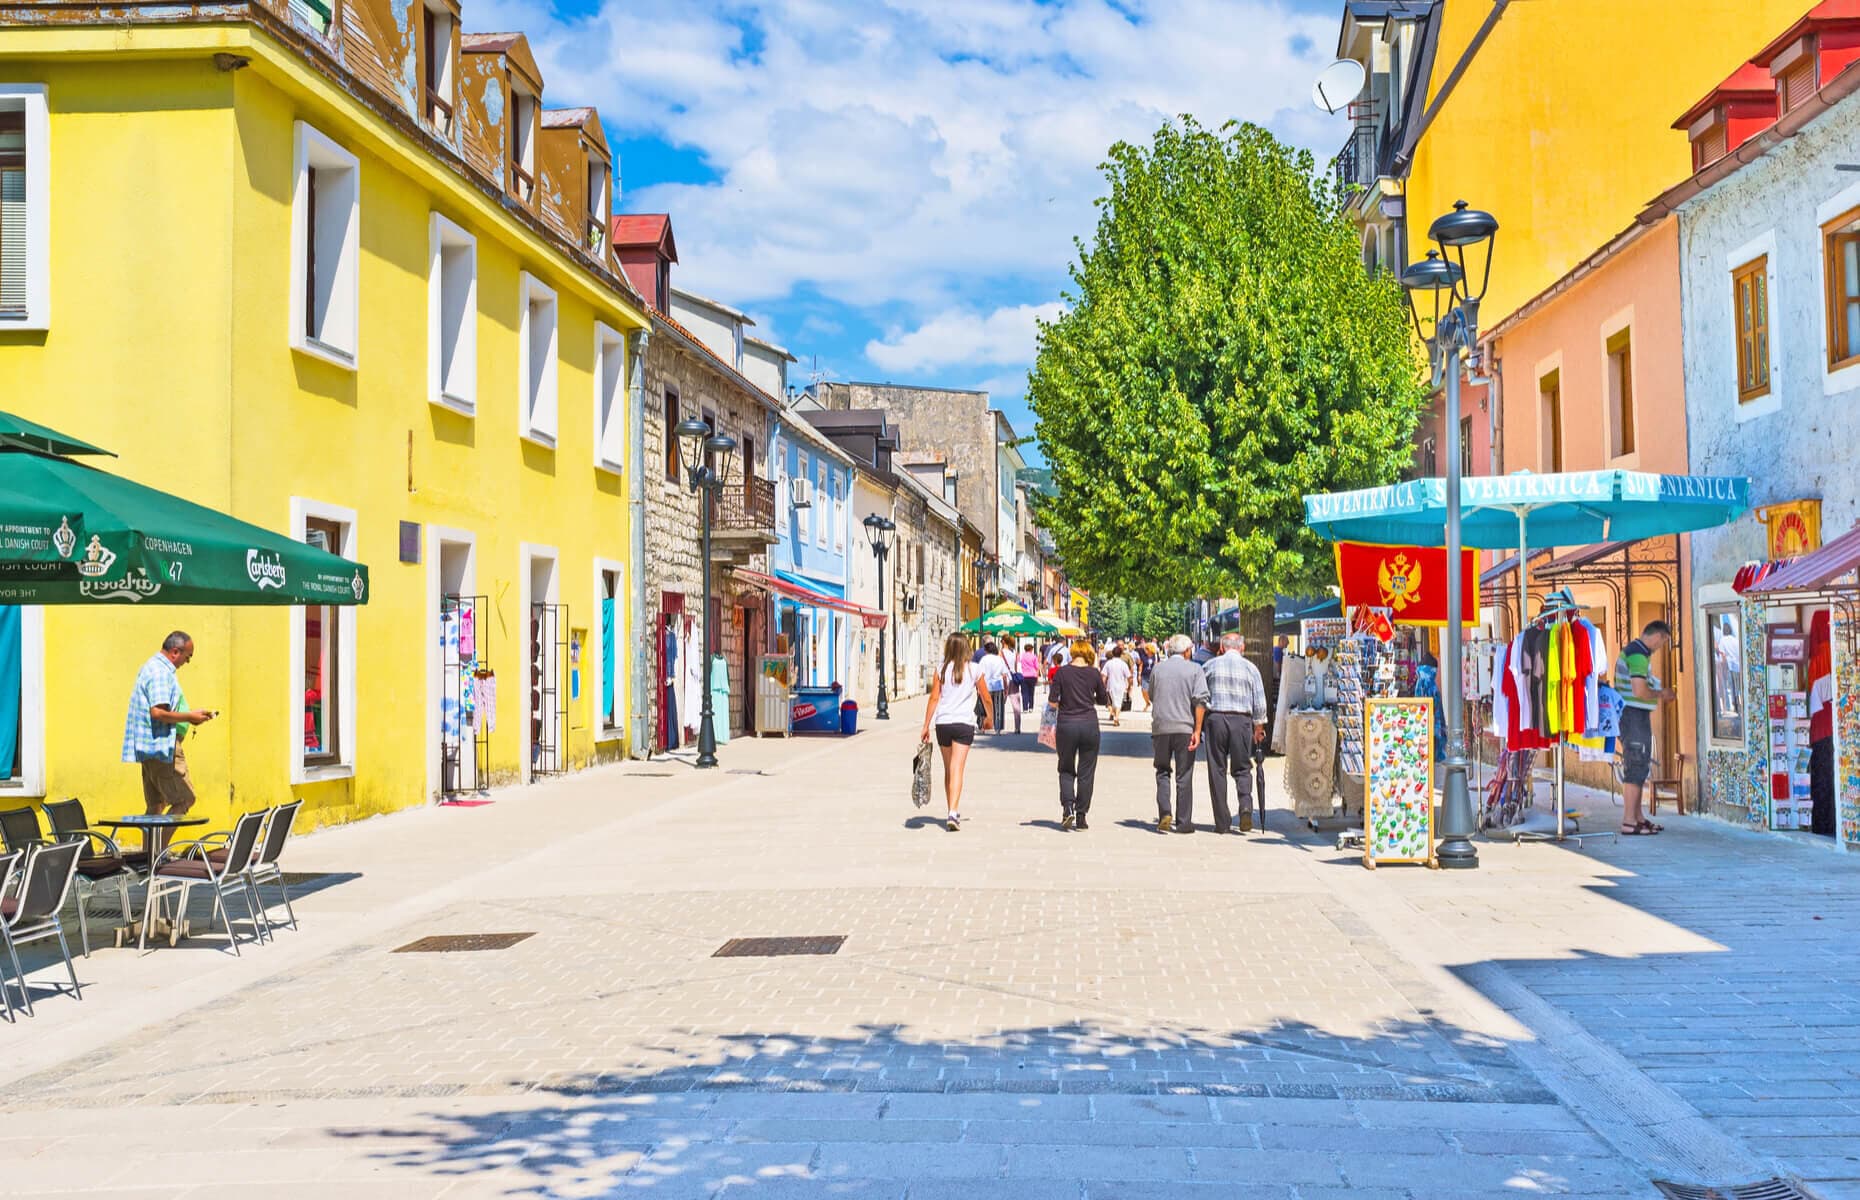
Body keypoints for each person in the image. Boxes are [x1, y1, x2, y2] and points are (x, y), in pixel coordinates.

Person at [122, 631, 215, 828]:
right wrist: (190, 717)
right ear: (175, 651)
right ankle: (158, 855)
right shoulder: (160, 673)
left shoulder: (152, 667)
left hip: (152, 747)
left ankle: (149, 854)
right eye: (187, 657)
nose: (187, 662)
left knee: (156, 805)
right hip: (162, 747)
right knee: (183, 800)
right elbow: (158, 712)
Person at [921, 633, 991, 831]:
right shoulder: (974, 669)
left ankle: (951, 810)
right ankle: (953, 811)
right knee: (957, 768)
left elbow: (934, 698)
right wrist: (989, 718)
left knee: (948, 768)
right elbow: (985, 697)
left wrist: (926, 725)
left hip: (943, 723)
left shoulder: (941, 669)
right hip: (963, 724)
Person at [1202, 632, 1268, 834]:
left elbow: (1200, 695)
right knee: (1242, 767)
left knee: (1217, 770)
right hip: (1242, 721)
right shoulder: (1251, 668)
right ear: (1242, 648)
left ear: (1221, 647)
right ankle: (1246, 807)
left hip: (1216, 719)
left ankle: (1222, 822)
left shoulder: (1209, 666)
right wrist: (1259, 728)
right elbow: (1260, 701)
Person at [1616, 619, 1675, 836]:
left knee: (1640, 765)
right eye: (1664, 641)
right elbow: (1639, 690)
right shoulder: (1638, 654)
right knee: (1636, 764)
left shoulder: (1636, 652)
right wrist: (1662, 694)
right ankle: (1629, 820)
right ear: (1658, 636)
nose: (1661, 647)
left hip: (1634, 715)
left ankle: (1637, 817)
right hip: (1632, 715)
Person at [1050, 638, 1116, 829]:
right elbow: (1104, 699)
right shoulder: (1094, 673)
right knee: (1087, 772)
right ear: (1089, 654)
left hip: (1067, 725)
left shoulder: (1062, 672)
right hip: (1089, 725)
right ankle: (1081, 816)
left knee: (1066, 767)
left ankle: (1068, 807)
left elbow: (1053, 702)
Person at [1149, 634, 1209, 832]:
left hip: (1161, 727)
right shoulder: (1195, 669)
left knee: (1162, 770)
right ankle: (1184, 822)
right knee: (1184, 774)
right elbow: (1200, 701)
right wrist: (1198, 730)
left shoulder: (1158, 669)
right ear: (1187, 651)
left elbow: (1151, 694)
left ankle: (1165, 812)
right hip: (1185, 727)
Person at [978, 640, 1012, 733]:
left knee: (984, 707)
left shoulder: (984, 659)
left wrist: (978, 689)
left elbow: (981, 674)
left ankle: (983, 727)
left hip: (986, 686)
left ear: (987, 650)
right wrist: (1005, 688)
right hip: (998, 686)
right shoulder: (999, 659)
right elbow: (1004, 675)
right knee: (998, 707)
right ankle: (998, 728)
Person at [1102, 644, 1133, 713]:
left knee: (1110, 702)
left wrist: (1102, 685)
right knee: (1118, 703)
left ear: (1113, 653)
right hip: (1121, 686)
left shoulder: (1108, 663)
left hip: (1110, 686)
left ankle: (1112, 713)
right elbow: (1129, 677)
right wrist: (1130, 686)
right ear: (1121, 654)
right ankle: (1116, 716)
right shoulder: (1123, 664)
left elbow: (1104, 676)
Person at [1016, 641, 1041, 717]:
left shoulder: (1021, 656)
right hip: (1032, 676)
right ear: (1031, 649)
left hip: (1023, 676)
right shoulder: (1034, 656)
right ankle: (1031, 707)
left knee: (1024, 693)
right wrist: (1037, 677)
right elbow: (1037, 667)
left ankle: (1025, 708)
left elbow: (1017, 664)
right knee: (1031, 692)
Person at [1135, 639, 1157, 711]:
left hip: (1152, 675)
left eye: (1146, 649)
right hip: (1144, 675)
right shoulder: (1143, 656)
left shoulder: (1155, 656)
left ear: (1150, 649)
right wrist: (1139, 675)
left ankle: (1155, 704)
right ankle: (1147, 702)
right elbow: (1141, 665)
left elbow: (1157, 665)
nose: (1145, 650)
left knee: (1153, 691)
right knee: (1144, 690)